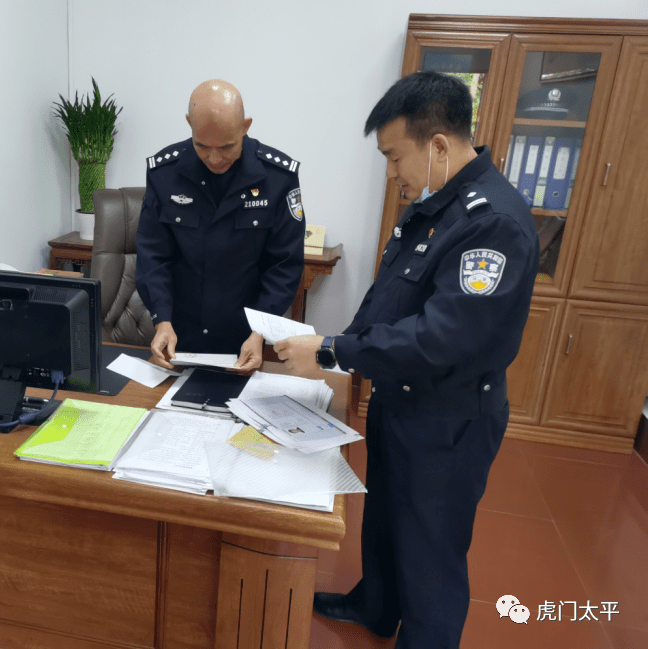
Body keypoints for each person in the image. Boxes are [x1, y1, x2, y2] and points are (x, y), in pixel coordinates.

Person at [274, 71, 539, 648]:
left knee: (431, 551)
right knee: (388, 520)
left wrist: (333, 352)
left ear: (438, 145)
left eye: (395, 157)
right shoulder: (433, 206)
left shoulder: (491, 222)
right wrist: (334, 345)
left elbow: (440, 338)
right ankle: (375, 606)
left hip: (449, 418)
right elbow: (388, 300)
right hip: (402, 400)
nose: (392, 173)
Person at [136, 79, 305, 371]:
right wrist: (161, 319)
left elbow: (284, 265)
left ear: (245, 127)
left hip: (245, 339)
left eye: (227, 147)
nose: (214, 158)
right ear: (189, 123)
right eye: (202, 146)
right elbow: (153, 255)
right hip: (178, 337)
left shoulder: (278, 178)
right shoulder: (164, 174)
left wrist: (260, 332)